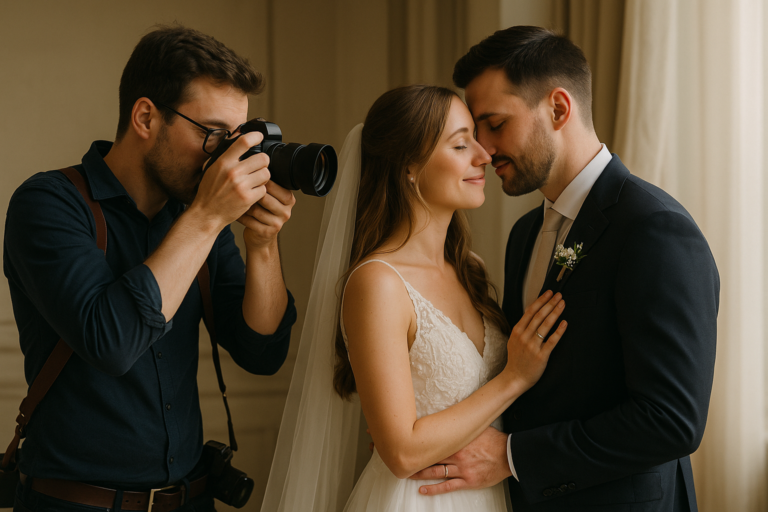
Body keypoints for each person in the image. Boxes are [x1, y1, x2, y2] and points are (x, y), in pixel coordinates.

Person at [408, 26, 719, 512]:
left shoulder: (655, 230)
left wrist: (512, 456)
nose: (484, 151)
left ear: (558, 108)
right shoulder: (524, 234)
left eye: (494, 123)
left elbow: (671, 420)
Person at [3, 25, 297, 512]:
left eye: (238, 136)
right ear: (145, 117)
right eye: (215, 135)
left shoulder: (197, 218)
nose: (228, 156)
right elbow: (112, 341)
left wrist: (263, 244)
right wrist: (206, 217)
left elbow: (261, 352)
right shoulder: (49, 204)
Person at [260, 84, 568, 512]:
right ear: (409, 166)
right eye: (461, 144)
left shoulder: (469, 269)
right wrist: (514, 378)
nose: (483, 156)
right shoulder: (378, 283)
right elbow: (402, 452)